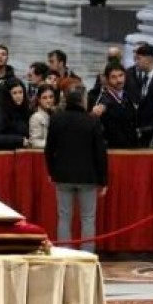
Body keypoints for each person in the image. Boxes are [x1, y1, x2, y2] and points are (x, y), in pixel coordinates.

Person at [45, 89, 108, 253]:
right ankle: (87, 252)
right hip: (88, 177)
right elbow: (100, 152)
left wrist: (51, 171)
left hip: (62, 175)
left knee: (64, 216)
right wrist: (103, 179)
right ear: (82, 101)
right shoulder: (91, 121)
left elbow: (49, 149)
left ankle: (65, 251)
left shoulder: (56, 119)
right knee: (88, 218)